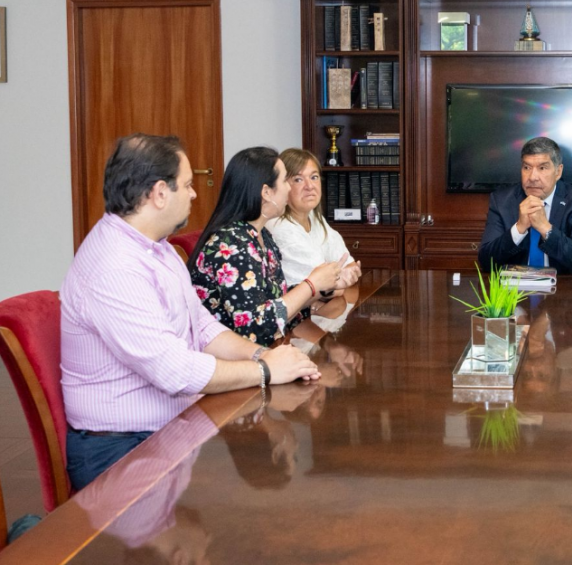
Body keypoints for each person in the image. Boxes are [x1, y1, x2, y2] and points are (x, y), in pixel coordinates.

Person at [61, 134, 322, 491]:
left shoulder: (158, 247)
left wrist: (262, 354)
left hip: (173, 425)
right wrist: (264, 370)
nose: (195, 193)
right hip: (124, 448)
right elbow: (173, 371)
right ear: (159, 193)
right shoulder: (114, 267)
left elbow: (201, 325)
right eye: (187, 184)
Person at [188, 147, 360, 347]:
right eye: (285, 180)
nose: (289, 188)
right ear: (267, 193)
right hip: (233, 360)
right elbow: (255, 327)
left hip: (263, 351)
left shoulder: (262, 236)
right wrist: (312, 285)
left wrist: (324, 288)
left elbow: (279, 302)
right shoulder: (231, 246)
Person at [266, 148, 361, 317]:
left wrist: (334, 285)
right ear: (283, 186)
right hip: (289, 323)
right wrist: (334, 285)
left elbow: (349, 268)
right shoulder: (279, 226)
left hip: (313, 314)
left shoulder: (314, 218)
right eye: (298, 179)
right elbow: (326, 284)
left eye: (314, 177)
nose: (309, 186)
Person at [478, 137, 572, 274]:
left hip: (561, 288)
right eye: (526, 167)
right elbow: (486, 261)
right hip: (513, 290)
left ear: (558, 171)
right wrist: (519, 228)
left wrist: (545, 228)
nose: (532, 177)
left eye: (542, 168)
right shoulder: (502, 201)